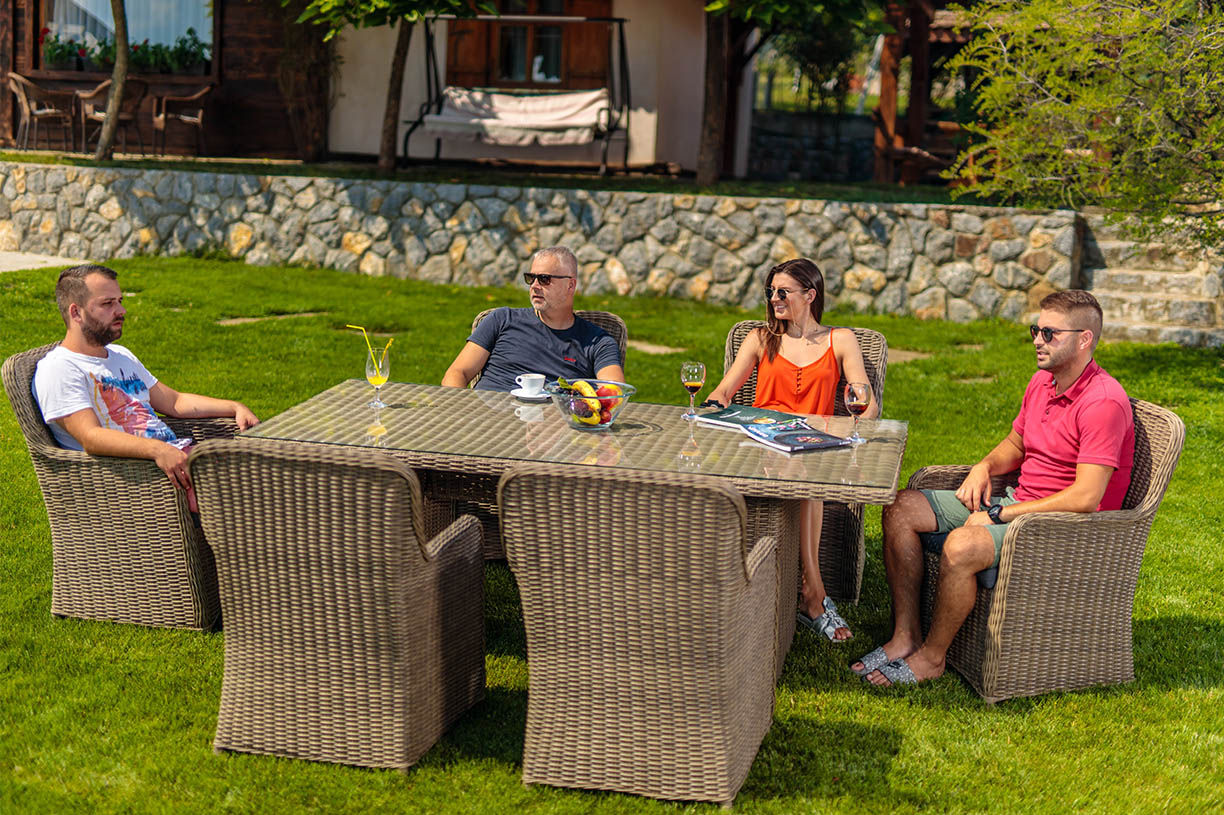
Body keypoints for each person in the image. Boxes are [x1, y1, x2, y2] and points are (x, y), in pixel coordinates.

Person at [857, 289, 1134, 686]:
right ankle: (906, 636)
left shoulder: (1103, 402)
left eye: (1050, 333)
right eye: (1036, 330)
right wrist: (984, 467)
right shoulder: (1043, 382)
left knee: (961, 546)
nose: (1038, 340)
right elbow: (1017, 444)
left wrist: (999, 514)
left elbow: (1086, 497)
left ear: (1084, 339)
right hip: (1018, 502)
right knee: (901, 508)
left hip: (1063, 528)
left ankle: (932, 658)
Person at [705, 258, 879, 643]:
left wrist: (858, 418)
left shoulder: (841, 340)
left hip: (812, 444)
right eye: (770, 292)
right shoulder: (760, 338)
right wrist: (714, 404)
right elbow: (725, 390)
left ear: (810, 295)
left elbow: (866, 401)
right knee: (804, 475)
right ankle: (814, 595)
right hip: (761, 443)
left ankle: (811, 593)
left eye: (782, 292)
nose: (774, 299)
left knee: (807, 472)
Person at [32, 264, 259, 511]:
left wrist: (234, 407)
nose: (121, 310)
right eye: (108, 304)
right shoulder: (59, 368)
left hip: (177, 461)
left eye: (119, 301)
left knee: (270, 464)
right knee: (262, 490)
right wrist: (157, 450)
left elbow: (174, 402)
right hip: (140, 480)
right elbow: (91, 437)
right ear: (76, 312)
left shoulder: (121, 355)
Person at [442, 246, 625, 390]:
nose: (535, 286)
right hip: (484, 419)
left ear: (570, 285)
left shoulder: (597, 342)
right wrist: (461, 412)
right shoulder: (502, 319)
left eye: (544, 279)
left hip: (552, 424)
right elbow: (457, 373)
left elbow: (614, 394)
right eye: (531, 278)